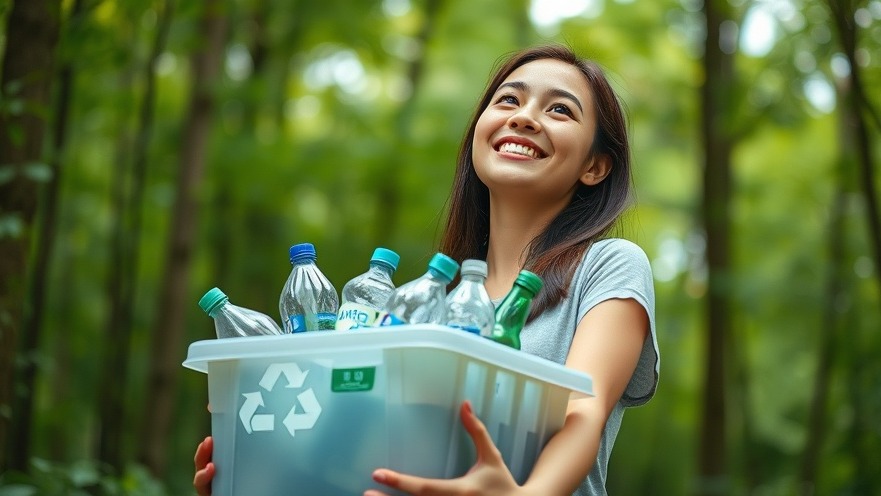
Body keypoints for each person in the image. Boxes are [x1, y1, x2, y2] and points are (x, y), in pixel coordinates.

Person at [193, 42, 659, 496]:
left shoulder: (609, 266)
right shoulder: (426, 308)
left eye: (560, 110)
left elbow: (583, 409)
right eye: (508, 100)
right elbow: (365, 460)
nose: (523, 116)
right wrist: (258, 464)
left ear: (595, 166)